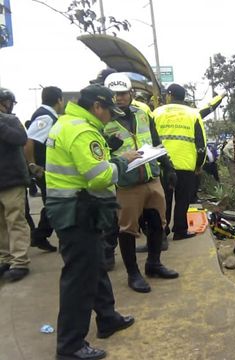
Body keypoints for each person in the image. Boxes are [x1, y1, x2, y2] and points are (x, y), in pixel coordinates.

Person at [45, 84, 138, 359]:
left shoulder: (67, 123)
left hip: (77, 208)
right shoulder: (83, 131)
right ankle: (70, 346)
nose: (111, 115)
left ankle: (107, 318)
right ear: (97, 107)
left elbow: (86, 164)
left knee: (96, 267)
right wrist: (122, 163)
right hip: (78, 211)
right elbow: (98, 175)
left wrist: (115, 158)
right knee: (79, 279)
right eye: (109, 110)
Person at [104, 73, 179, 293]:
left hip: (150, 176)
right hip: (126, 183)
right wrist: (109, 144)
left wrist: (168, 166)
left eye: (123, 93)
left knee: (157, 223)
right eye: (115, 94)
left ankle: (154, 264)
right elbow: (97, 153)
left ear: (131, 94)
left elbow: (156, 142)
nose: (119, 98)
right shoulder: (103, 121)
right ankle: (133, 274)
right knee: (127, 229)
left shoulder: (143, 114)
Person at [154, 83, 207, 240]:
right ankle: (180, 231)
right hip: (186, 165)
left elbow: (149, 138)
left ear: (169, 96)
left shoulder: (157, 113)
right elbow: (201, 144)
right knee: (183, 200)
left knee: (164, 200)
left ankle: (162, 232)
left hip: (162, 165)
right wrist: (199, 164)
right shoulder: (193, 114)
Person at [24, 86, 64, 252]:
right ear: (59, 100)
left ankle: (41, 235)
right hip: (44, 169)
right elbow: (29, 141)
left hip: (47, 168)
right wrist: (33, 165)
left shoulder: (47, 115)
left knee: (53, 203)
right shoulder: (45, 117)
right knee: (56, 203)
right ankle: (41, 235)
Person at [0, 87, 31, 282]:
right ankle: (5, 258)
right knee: (1, 224)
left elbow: (21, 139)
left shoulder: (10, 121)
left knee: (15, 221)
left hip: (12, 182)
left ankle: (20, 262)